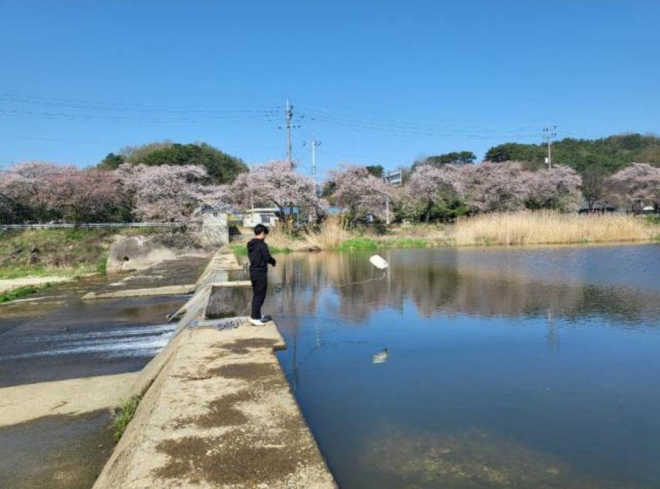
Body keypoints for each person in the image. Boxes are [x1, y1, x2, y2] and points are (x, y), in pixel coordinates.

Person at [247, 224, 276, 326]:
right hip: (260, 273)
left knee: (256, 294)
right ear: (262, 233)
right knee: (260, 295)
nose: (265, 236)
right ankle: (254, 318)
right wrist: (273, 261)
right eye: (265, 234)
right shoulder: (262, 245)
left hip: (253, 272)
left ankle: (257, 315)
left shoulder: (250, 244)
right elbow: (267, 258)